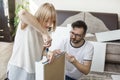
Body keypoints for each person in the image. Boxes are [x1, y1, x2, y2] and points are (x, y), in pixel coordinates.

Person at [6, 3, 57, 80]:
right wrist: (43, 33)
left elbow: (41, 51)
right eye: (46, 20)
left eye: (52, 21)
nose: (49, 24)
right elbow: (22, 13)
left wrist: (48, 53)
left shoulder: (47, 32)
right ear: (40, 16)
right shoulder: (27, 24)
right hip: (18, 68)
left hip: (32, 71)